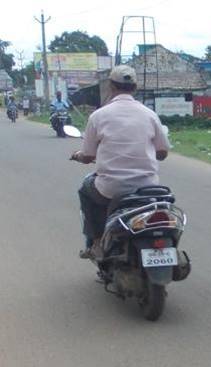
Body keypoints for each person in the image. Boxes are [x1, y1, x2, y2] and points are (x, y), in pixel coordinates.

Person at [70, 65, 171, 259]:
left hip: (110, 189)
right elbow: (162, 152)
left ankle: (97, 242)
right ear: (134, 87)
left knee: (85, 189)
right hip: (147, 187)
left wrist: (77, 155)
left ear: (110, 86)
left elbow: (88, 156)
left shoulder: (98, 116)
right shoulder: (150, 115)